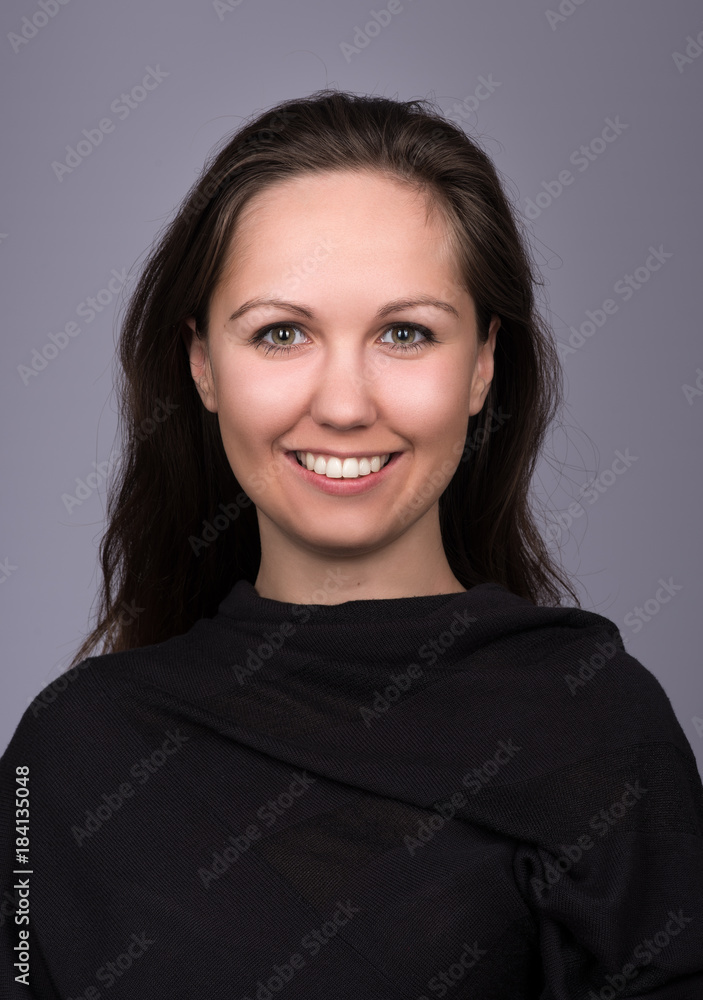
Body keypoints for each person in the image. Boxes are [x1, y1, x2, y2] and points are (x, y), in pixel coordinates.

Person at [1, 89, 702, 998]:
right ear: (203, 364)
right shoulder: (67, 756)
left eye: (404, 334)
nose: (342, 404)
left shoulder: (601, 728)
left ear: (482, 364)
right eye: (280, 333)